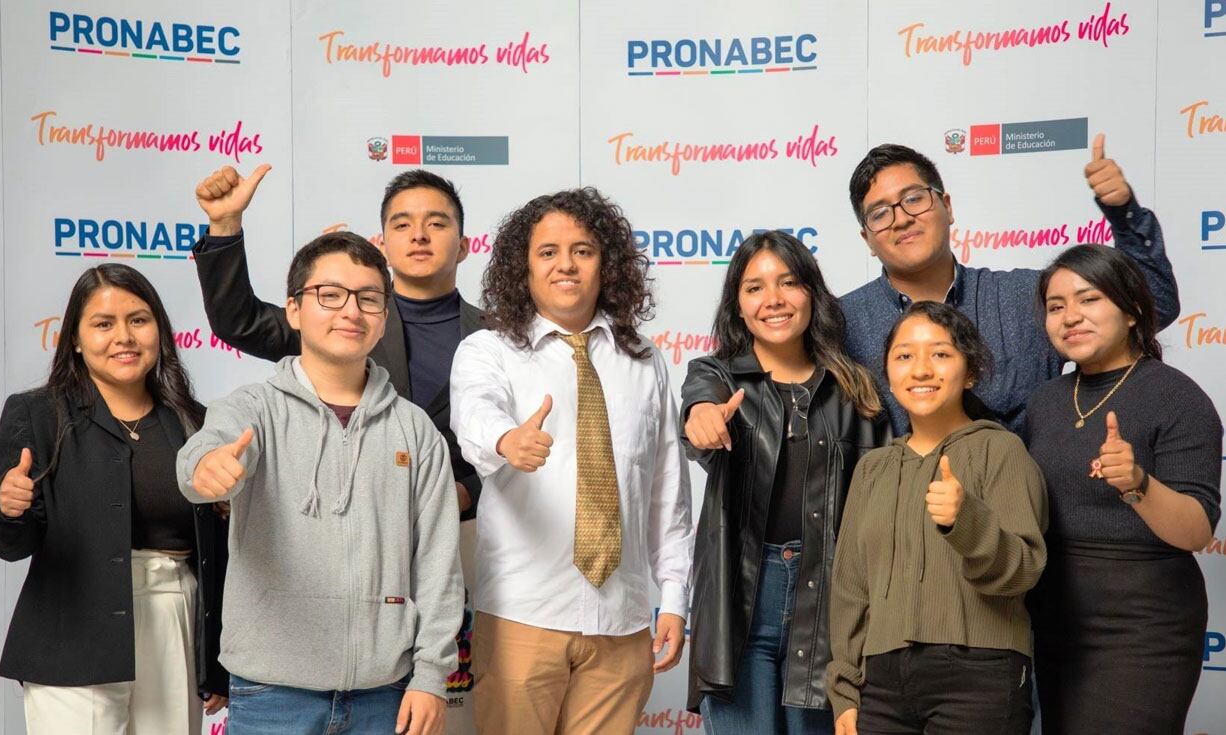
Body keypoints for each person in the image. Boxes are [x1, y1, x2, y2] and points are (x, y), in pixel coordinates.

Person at [176, 232, 463, 735]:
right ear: (293, 309)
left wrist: (431, 676)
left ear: (383, 316)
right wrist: (205, 468)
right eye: (330, 295)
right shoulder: (254, 409)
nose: (351, 311)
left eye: (368, 298)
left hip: (386, 695)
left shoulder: (415, 430)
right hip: (271, 696)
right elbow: (204, 455)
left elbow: (438, 564)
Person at [449, 188, 694, 735]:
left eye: (582, 250)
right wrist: (506, 440)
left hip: (622, 622)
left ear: (606, 265)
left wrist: (676, 599)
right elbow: (474, 413)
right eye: (548, 252)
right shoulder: (488, 350)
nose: (566, 264)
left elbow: (667, 493)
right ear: (523, 268)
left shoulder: (644, 360)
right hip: (523, 617)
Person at [0, 263, 228, 733]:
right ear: (75, 338)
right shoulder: (36, 413)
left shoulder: (197, 422)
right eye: (103, 324)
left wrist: (215, 657)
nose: (124, 337)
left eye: (138, 320)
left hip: (175, 618)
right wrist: (5, 506)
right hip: (71, 630)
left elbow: (217, 553)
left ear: (160, 330)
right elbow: (10, 545)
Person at [679, 231, 888, 734]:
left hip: (829, 596)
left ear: (812, 294)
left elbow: (880, 507)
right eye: (754, 287)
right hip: (742, 600)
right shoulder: (717, 377)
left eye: (788, 282)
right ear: (738, 305)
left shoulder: (855, 388)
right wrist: (702, 418)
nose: (772, 299)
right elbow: (700, 408)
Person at [192, 164, 484, 518]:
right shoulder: (342, 321)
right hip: (341, 518)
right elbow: (240, 321)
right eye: (402, 224)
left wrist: (468, 491)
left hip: (458, 524)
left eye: (436, 224)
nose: (419, 235)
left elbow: (521, 440)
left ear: (464, 246)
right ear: (382, 245)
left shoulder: (499, 336)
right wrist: (225, 225)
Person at [840, 138, 1180, 436]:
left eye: (914, 199)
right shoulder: (842, 324)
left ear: (947, 207)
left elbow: (1155, 303)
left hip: (1023, 488)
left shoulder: (1025, 297)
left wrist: (1124, 214)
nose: (901, 218)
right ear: (867, 239)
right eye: (880, 214)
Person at [1025, 244, 1221, 734]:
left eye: (1089, 299)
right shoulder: (1045, 401)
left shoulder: (1176, 396)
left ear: (1132, 310)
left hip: (1143, 628)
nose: (1071, 316)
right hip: (1055, 620)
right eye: (1056, 306)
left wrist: (1138, 484)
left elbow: (1197, 531)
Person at [827, 301, 1048, 735]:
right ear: (888, 374)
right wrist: (845, 690)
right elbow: (851, 587)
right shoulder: (872, 469)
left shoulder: (1001, 451)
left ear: (971, 372)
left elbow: (1025, 569)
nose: (921, 369)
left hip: (979, 675)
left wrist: (966, 521)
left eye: (941, 354)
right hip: (880, 685)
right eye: (905, 356)